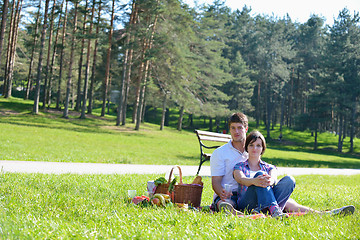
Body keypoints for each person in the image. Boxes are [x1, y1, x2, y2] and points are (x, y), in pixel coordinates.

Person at [210, 112, 355, 216]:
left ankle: (325, 214)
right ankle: (265, 213)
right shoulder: (221, 154)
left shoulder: (253, 153)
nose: (236, 131)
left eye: (239, 128)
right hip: (235, 196)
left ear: (246, 129)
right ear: (229, 129)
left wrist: (270, 180)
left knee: (291, 201)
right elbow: (220, 181)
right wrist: (222, 193)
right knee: (226, 205)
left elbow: (272, 177)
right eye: (233, 128)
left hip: (263, 192)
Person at [233, 130, 295, 218]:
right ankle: (274, 210)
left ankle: (270, 210)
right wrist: (255, 181)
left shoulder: (270, 167)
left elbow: (273, 179)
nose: (254, 148)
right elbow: (241, 179)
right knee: (260, 174)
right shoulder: (239, 166)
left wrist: (269, 181)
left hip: (267, 199)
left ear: (262, 149)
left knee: (289, 180)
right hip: (247, 204)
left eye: (258, 146)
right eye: (251, 145)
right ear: (247, 147)